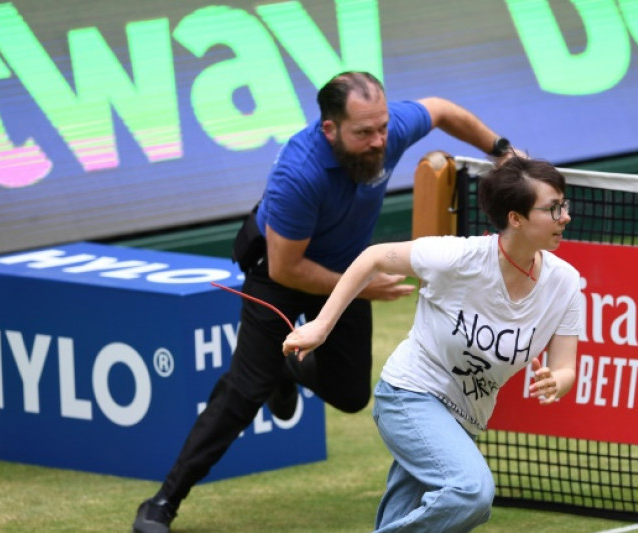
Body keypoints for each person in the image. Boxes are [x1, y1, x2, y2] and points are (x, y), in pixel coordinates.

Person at [133, 71, 518, 533]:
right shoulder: (300, 174)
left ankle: (287, 370)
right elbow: (286, 269)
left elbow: (441, 109)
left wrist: (500, 151)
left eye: (383, 128)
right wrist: (366, 287)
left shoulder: (386, 130)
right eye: (364, 133)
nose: (380, 141)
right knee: (245, 391)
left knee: (352, 394)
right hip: (279, 275)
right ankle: (163, 500)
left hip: (346, 271)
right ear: (330, 129)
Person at [282, 156, 584, 532]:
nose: (565, 216)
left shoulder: (565, 283)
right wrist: (322, 326)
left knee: (406, 518)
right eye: (553, 208)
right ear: (516, 218)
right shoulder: (459, 258)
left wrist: (557, 381)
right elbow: (373, 258)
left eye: (564, 205)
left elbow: (566, 367)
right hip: (410, 394)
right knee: (471, 493)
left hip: (465, 420)